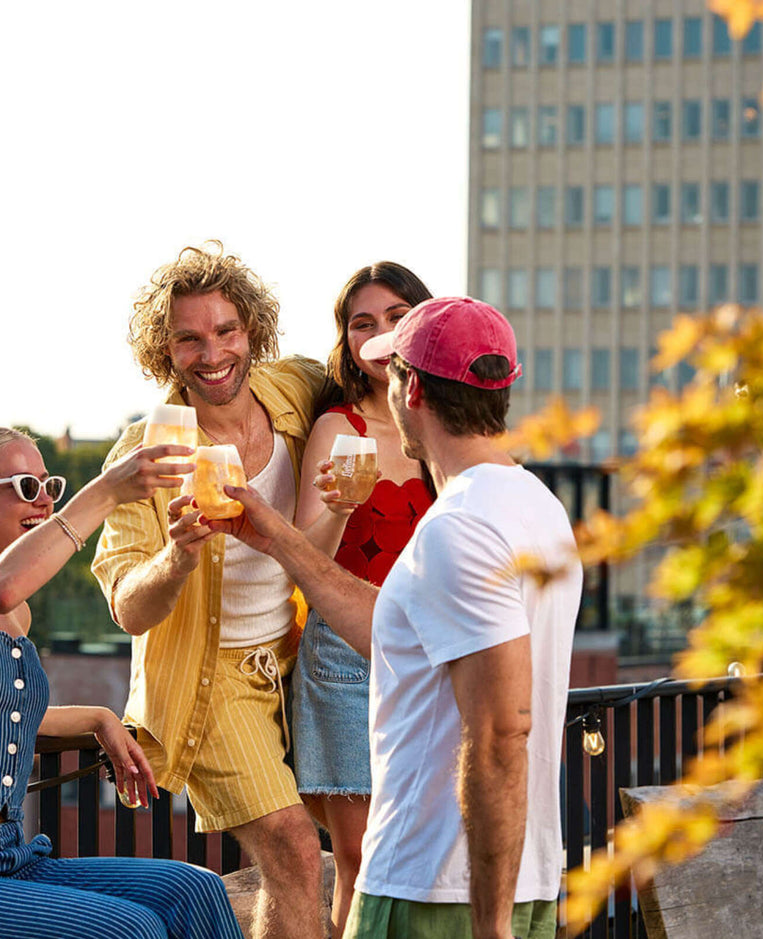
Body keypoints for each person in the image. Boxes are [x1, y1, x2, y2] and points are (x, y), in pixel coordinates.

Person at [206, 297, 583, 939]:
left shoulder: (459, 526)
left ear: (413, 390)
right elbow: (399, 628)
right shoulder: (533, 504)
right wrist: (279, 540)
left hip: (437, 893)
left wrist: (490, 927)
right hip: (495, 883)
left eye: (395, 370)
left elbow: (499, 734)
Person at [0, 425, 243, 939]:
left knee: (195, 889)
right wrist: (104, 491)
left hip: (8, 857)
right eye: (25, 487)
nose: (42, 501)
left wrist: (99, 718)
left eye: (48, 486)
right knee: (129, 929)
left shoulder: (17, 615)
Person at [91, 243, 327, 939]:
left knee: (358, 837)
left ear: (252, 329)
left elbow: (373, 387)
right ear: (166, 351)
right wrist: (176, 554)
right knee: (290, 844)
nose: (213, 352)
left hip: (303, 661)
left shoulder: (296, 390)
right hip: (209, 679)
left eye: (226, 331)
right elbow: (128, 607)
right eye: (189, 338)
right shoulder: (147, 454)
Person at [290, 262, 434, 938]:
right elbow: (300, 552)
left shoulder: (439, 429)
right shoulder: (337, 428)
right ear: (346, 339)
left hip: (431, 660)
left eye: (394, 316)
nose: (377, 334)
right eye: (361, 322)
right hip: (344, 660)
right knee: (359, 856)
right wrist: (343, 509)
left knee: (422, 852)